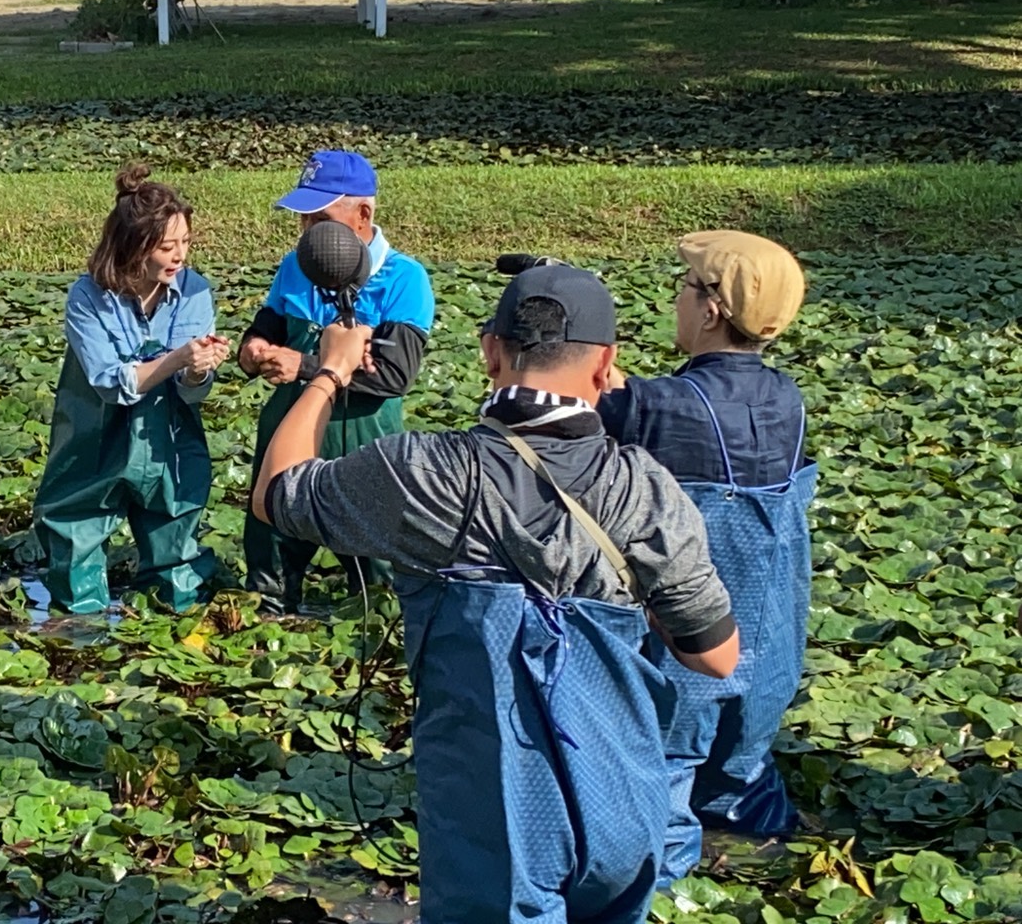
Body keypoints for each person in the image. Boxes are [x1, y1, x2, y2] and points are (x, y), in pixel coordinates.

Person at [251, 259, 740, 924]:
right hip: (624, 797)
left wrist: (330, 372)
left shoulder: (424, 472)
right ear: (605, 367)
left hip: (497, 818)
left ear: (490, 353)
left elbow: (278, 493)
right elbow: (716, 657)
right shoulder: (648, 489)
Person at [598, 230, 816, 886]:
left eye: (686, 288)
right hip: (769, 638)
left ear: (713, 309)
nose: (678, 299)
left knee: (663, 767)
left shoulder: (652, 405)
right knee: (739, 769)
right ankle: (758, 838)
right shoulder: (788, 399)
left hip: (686, 640)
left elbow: (604, 426)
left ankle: (660, 885)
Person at [238, 150, 434, 614]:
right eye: (304, 221)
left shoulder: (405, 279)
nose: (307, 233)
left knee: (377, 584)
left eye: (320, 220)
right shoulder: (294, 266)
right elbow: (268, 323)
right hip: (287, 434)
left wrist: (305, 367)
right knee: (270, 559)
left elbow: (392, 375)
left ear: (363, 214)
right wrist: (254, 348)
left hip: (365, 447)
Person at [31, 165, 231, 614]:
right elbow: (109, 382)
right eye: (167, 246)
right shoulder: (87, 298)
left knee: (175, 544)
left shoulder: (195, 291)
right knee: (75, 533)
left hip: (169, 438)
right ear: (134, 247)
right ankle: (79, 634)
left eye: (185, 243)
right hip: (95, 437)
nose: (180, 256)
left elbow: (191, 390)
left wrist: (199, 369)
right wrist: (177, 357)